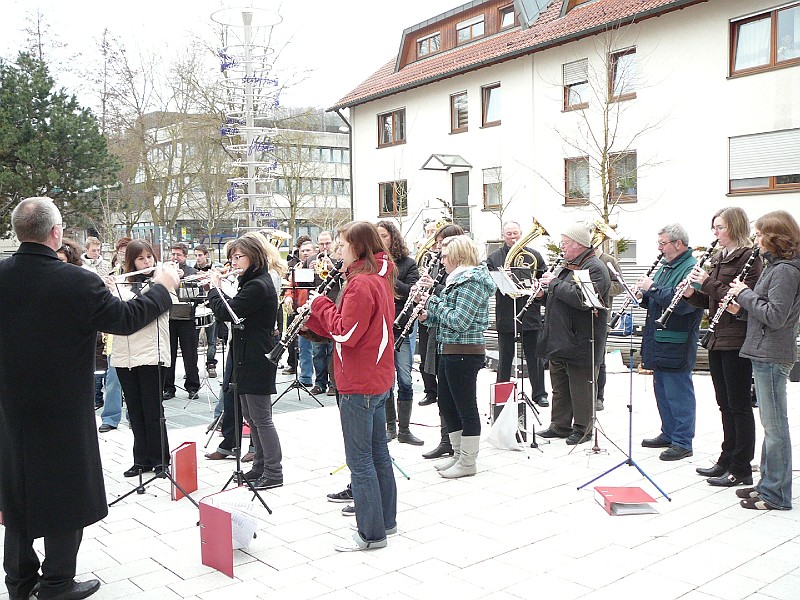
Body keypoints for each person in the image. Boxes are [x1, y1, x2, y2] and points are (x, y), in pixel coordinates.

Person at [0, 197, 177, 600]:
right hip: (62, 409)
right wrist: (163, 288)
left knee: (18, 492)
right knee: (65, 492)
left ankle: (20, 582)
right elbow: (126, 319)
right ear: (56, 233)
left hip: (11, 407)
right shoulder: (77, 281)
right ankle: (57, 583)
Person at [304, 221, 397, 551]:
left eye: (341, 246)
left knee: (361, 462)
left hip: (361, 381)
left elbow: (345, 332)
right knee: (377, 454)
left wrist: (320, 306)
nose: (336, 252)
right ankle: (386, 520)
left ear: (357, 248)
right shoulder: (379, 278)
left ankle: (371, 534)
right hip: (375, 376)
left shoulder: (361, 284)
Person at [728, 210, 800, 511]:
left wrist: (744, 295)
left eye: (758, 234)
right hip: (764, 350)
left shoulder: (785, 271)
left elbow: (776, 315)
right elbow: (766, 311)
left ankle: (777, 494)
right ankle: (767, 485)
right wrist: (741, 308)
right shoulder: (776, 266)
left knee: (775, 427)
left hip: (772, 353)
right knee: (771, 425)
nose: (756, 239)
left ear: (774, 237)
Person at [685, 207, 761, 486]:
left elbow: (738, 299)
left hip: (737, 338)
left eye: (720, 227)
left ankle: (741, 468)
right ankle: (726, 458)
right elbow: (714, 301)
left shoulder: (750, 260)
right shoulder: (719, 257)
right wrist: (693, 295)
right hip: (717, 337)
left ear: (735, 227)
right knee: (724, 404)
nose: (715, 233)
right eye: (714, 227)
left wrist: (708, 281)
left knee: (739, 405)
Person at [208, 233, 284, 490]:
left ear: (254, 256)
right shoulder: (249, 281)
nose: (234, 262)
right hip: (245, 355)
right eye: (232, 257)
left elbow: (227, 311)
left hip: (257, 357)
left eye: (238, 257)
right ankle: (259, 466)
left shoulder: (258, 285)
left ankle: (274, 472)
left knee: (261, 418)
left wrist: (214, 287)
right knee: (251, 418)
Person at [418, 235, 496, 478]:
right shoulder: (456, 280)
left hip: (464, 351)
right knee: (447, 404)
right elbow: (446, 318)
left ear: (458, 256)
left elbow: (459, 321)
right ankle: (457, 455)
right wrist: (426, 316)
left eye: (444, 256)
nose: (441, 261)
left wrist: (432, 303)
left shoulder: (472, 282)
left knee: (466, 407)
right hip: (448, 349)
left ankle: (468, 462)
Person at [536, 223, 610, 445]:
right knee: (559, 385)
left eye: (565, 243)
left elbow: (583, 299)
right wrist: (541, 294)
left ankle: (583, 428)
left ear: (578, 244)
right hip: (559, 336)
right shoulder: (566, 265)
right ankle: (560, 425)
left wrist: (554, 284)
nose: (562, 247)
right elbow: (557, 295)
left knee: (581, 385)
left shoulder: (595, 268)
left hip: (581, 337)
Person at [638, 224, 703, 461]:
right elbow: (658, 301)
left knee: (679, 392)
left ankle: (683, 441)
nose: (660, 248)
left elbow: (683, 305)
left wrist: (652, 288)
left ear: (679, 243)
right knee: (662, 390)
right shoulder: (665, 266)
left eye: (663, 243)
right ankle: (668, 433)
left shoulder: (691, 268)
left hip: (678, 339)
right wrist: (643, 296)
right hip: (658, 337)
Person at [110, 240, 175, 478]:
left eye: (149, 257)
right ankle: (141, 460)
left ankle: (161, 459)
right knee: (135, 410)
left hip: (151, 354)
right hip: (124, 356)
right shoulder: (119, 284)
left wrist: (161, 281)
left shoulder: (163, 284)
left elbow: (144, 308)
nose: (146, 262)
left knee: (152, 409)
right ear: (131, 263)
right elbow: (117, 313)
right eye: (140, 259)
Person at [486, 221, 548, 408]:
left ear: (521, 234)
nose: (512, 237)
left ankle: (539, 394)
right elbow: (489, 283)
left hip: (530, 313)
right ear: (503, 235)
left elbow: (543, 280)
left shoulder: (534, 256)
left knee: (534, 356)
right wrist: (501, 277)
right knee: (505, 357)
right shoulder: (495, 257)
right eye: (508, 234)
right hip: (506, 313)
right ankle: (502, 393)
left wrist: (537, 287)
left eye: (515, 233)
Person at [419, 223, 464, 460]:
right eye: (438, 244)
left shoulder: (465, 270)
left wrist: (432, 290)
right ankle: (447, 439)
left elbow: (451, 300)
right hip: (437, 332)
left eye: (443, 244)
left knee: (457, 394)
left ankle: (459, 444)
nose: (438, 249)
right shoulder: (438, 264)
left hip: (456, 340)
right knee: (443, 393)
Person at [377, 220, 424, 445]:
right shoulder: (372, 263)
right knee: (387, 380)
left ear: (393, 237)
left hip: (402, 327)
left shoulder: (408, 263)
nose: (381, 240)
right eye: (377, 236)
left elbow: (411, 292)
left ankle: (404, 429)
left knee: (405, 380)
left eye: (384, 236)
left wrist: (387, 278)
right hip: (381, 328)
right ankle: (390, 427)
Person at [99, 237, 132, 433]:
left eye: (126, 251)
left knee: (133, 381)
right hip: (114, 336)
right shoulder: (112, 274)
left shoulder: (137, 278)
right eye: (120, 251)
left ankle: (133, 416)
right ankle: (110, 417)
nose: (122, 255)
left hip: (134, 334)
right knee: (112, 379)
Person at [162, 243, 200, 401]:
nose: (175, 257)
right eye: (173, 254)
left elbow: (197, 296)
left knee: (190, 355)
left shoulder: (193, 272)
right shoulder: (165, 272)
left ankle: (192, 386)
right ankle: (168, 388)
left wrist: (182, 277)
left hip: (187, 318)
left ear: (185, 257)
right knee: (168, 355)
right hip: (169, 318)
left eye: (178, 255)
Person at [306, 231, 337, 395]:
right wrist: (309, 272)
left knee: (333, 349)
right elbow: (304, 285)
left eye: (327, 243)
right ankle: (319, 383)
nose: (324, 247)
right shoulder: (311, 260)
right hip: (316, 311)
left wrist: (333, 268)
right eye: (321, 244)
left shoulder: (338, 260)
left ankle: (333, 383)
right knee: (318, 351)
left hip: (333, 307)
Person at [283, 237, 316, 385]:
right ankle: (306, 377)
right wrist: (289, 297)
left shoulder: (320, 267)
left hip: (317, 311)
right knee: (304, 348)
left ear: (315, 251)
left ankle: (324, 381)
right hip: (301, 311)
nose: (305, 253)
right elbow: (291, 287)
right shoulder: (297, 268)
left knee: (321, 350)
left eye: (308, 250)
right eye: (302, 251)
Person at [193, 244, 222, 379]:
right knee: (192, 340)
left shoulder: (215, 268)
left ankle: (211, 365)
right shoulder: (191, 270)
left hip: (211, 307)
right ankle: (192, 369)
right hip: (196, 308)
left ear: (206, 255)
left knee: (212, 339)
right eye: (196, 255)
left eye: (200, 255)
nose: (198, 258)